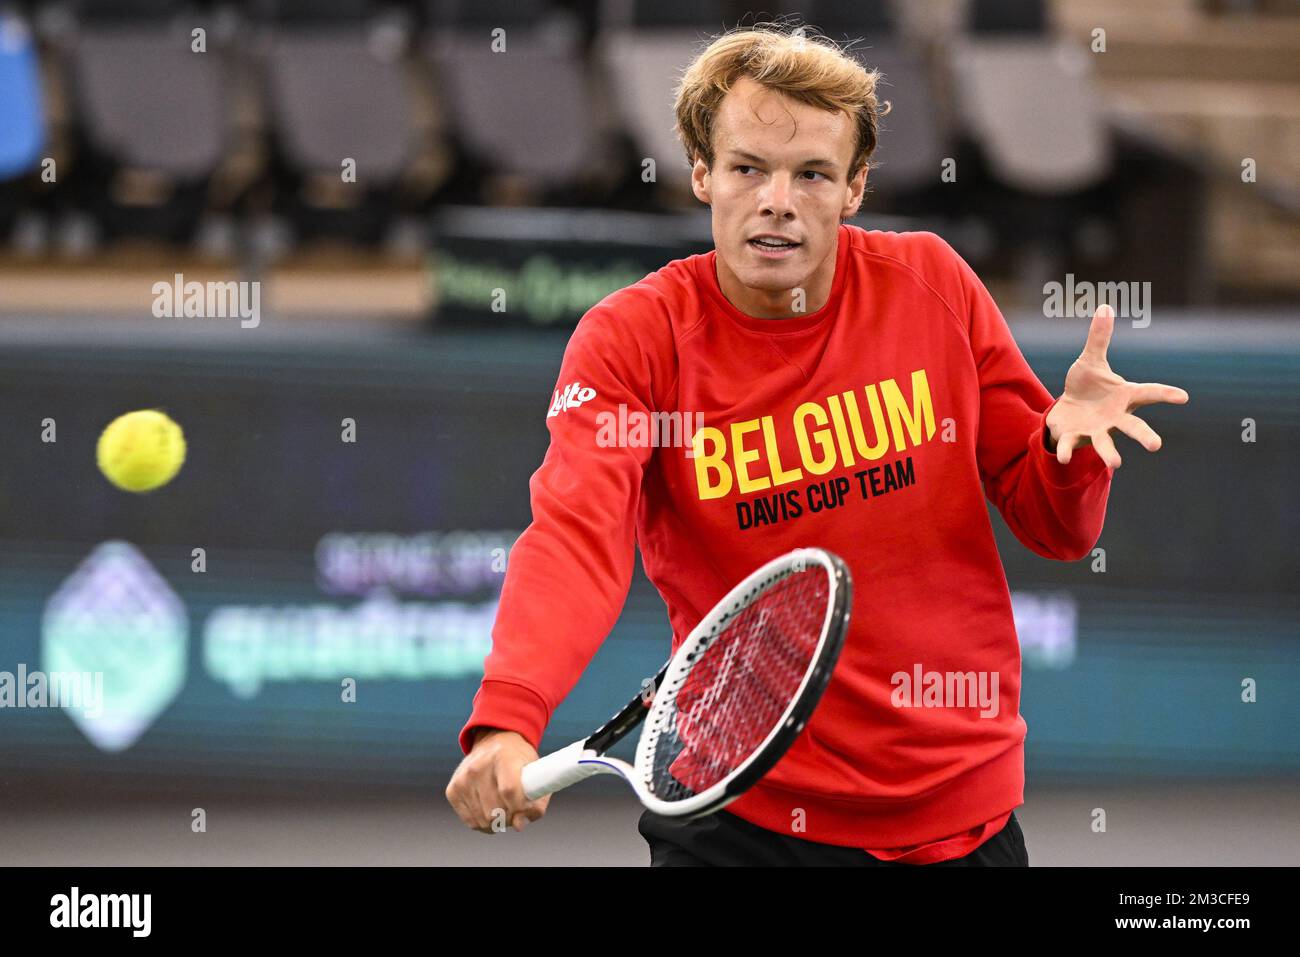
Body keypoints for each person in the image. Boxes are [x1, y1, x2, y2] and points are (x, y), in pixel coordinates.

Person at [445, 23, 1188, 866]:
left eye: (812, 175)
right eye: (747, 168)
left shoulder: (934, 285)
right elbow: (575, 538)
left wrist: (1070, 452)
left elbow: (1057, 527)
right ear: (701, 173)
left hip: (956, 818)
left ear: (855, 188)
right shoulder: (633, 340)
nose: (777, 200)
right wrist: (510, 715)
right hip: (736, 818)